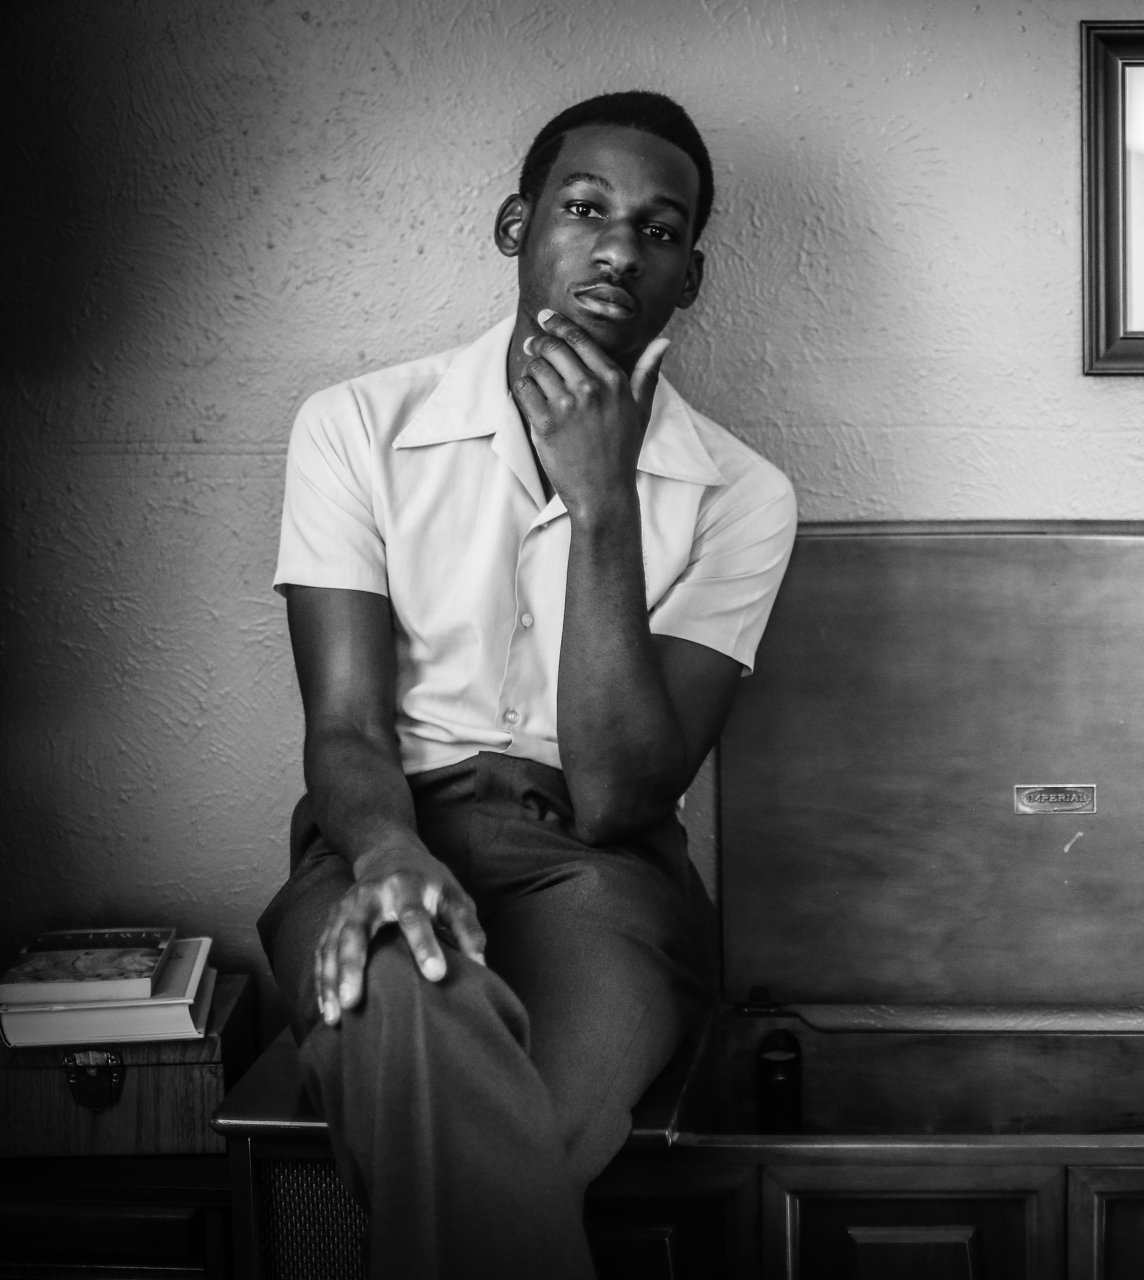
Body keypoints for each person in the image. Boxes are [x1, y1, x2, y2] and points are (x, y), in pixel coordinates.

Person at [258, 91, 796, 1279]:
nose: (617, 246)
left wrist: (604, 499)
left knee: (460, 1136)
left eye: (659, 231)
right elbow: (344, 727)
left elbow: (618, 794)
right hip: (382, 830)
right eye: (584, 207)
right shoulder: (356, 425)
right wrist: (392, 859)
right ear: (518, 224)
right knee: (407, 991)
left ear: (691, 277)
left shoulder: (742, 494)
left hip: (601, 877)